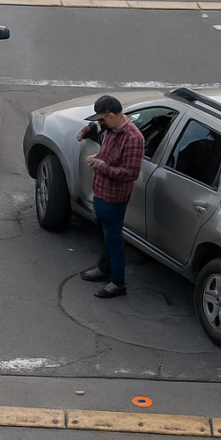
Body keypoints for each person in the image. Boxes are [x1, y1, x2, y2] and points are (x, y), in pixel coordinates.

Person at [75, 95, 145, 299]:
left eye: (102, 119)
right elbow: (106, 153)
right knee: (105, 235)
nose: (99, 124)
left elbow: (130, 173)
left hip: (114, 199)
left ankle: (117, 283)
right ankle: (104, 268)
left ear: (112, 116)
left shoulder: (133, 139)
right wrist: (97, 158)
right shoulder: (109, 130)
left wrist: (102, 166)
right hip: (100, 193)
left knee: (113, 239)